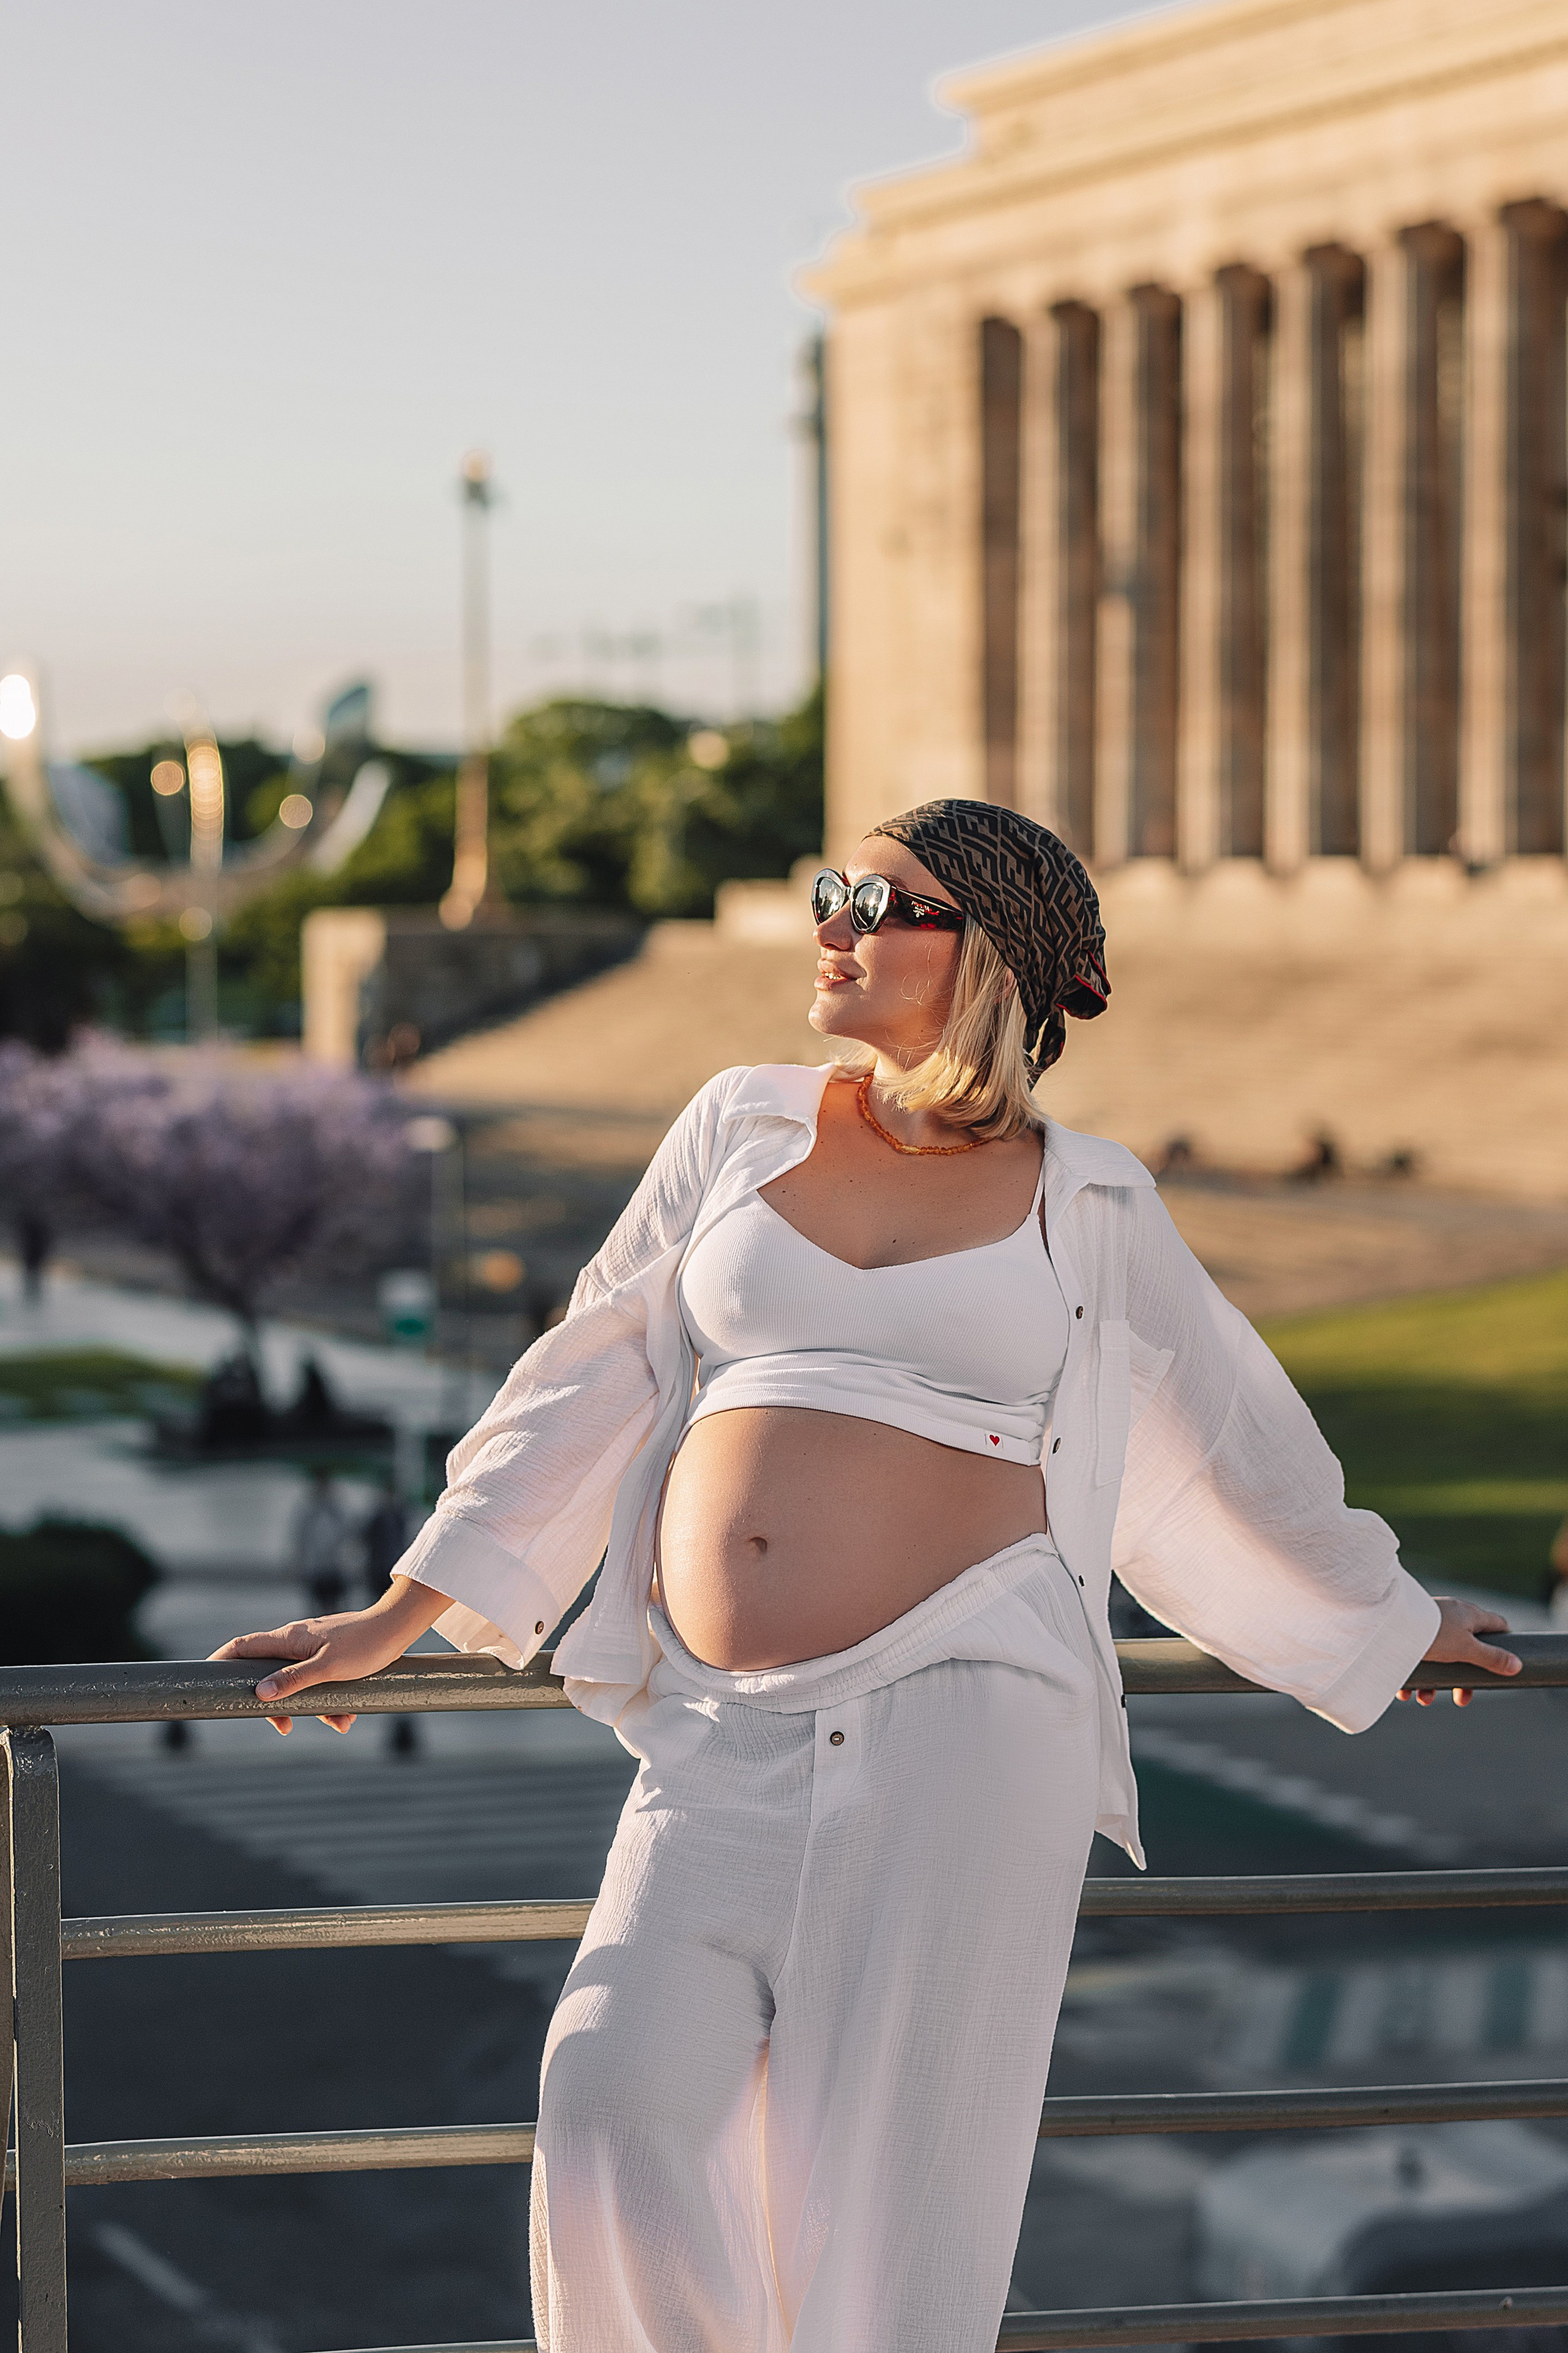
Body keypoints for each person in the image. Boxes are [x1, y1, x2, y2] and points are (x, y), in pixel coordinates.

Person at [214, 801, 1516, 2353]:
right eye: (829, 889)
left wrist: (1379, 1614)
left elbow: (1222, 1434)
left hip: (960, 1737)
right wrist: (400, 1609)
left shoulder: (1088, 1201)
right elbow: (589, 1369)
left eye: (877, 901)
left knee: (890, 2220)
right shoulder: (738, 1122)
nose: (826, 921)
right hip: (710, 1738)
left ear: (987, 960)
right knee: (613, 2116)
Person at [289, 1465, 350, 1616]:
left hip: (334, 1566)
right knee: (317, 1608)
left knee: (335, 1607)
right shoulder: (307, 1509)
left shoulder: (336, 1508)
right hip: (315, 1567)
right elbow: (300, 1537)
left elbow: (347, 1533)